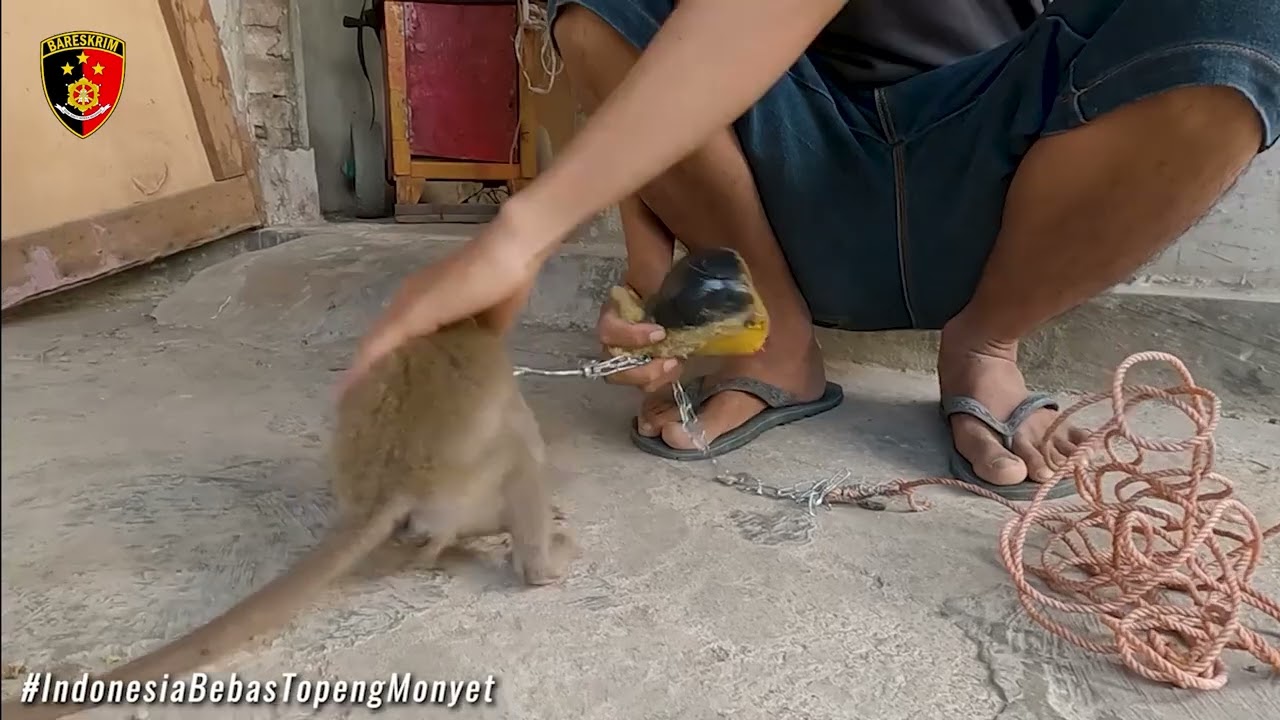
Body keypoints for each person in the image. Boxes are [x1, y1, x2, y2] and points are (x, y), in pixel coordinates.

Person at [345, 0, 1278, 500]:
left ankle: (987, 342)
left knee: (1246, 19)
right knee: (590, 7)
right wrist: (654, 270)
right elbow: (651, 45)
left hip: (1003, 189)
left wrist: (525, 230)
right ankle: (775, 342)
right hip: (791, 184)